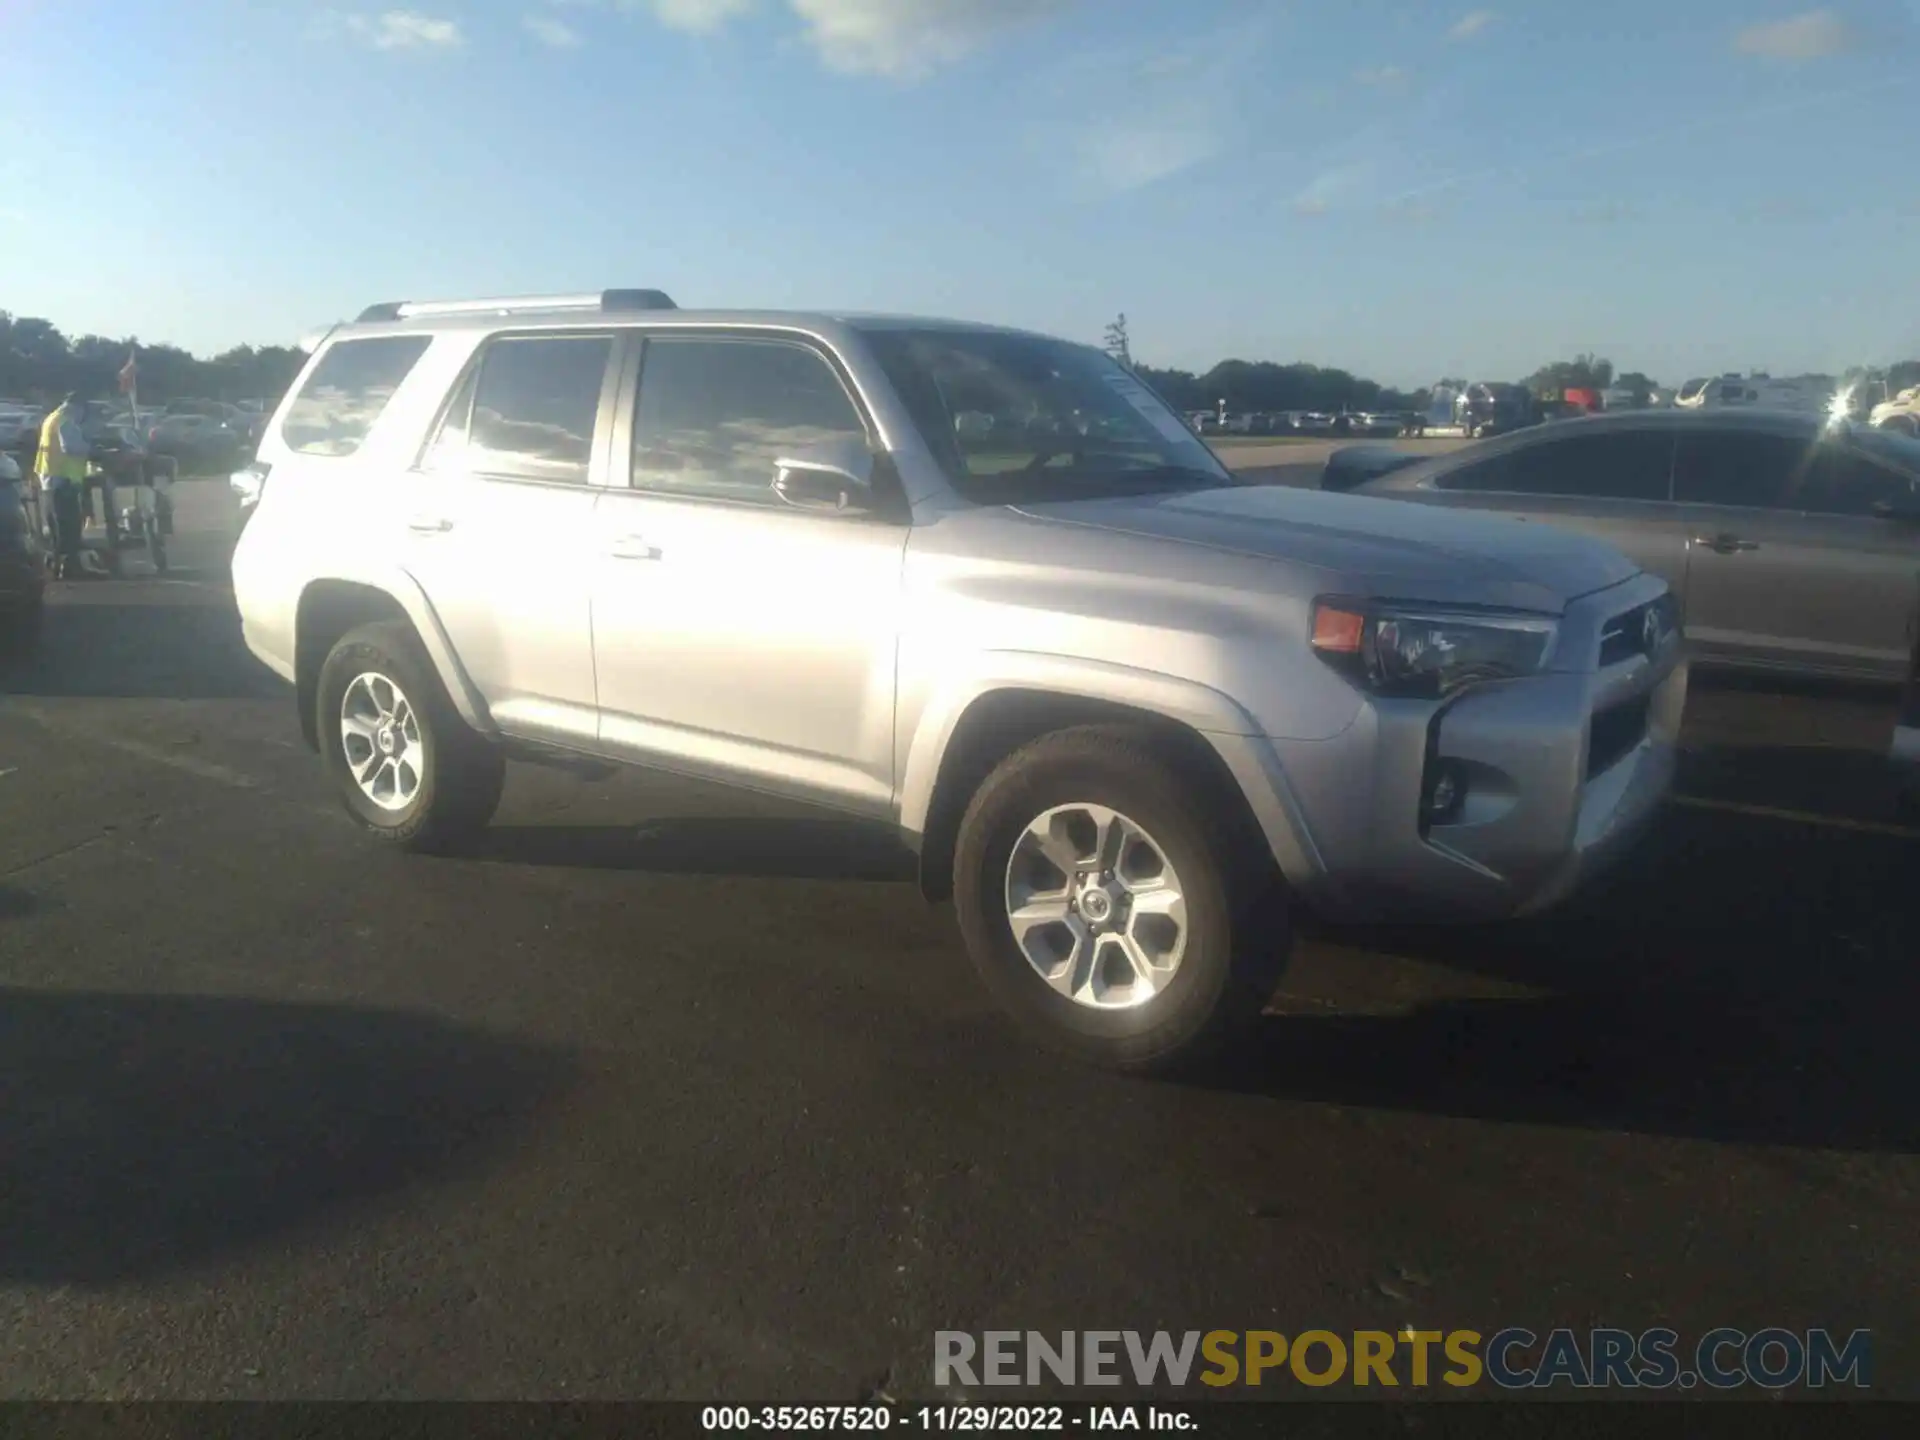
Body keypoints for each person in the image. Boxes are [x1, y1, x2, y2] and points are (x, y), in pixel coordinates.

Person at [34, 393, 97, 580]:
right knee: (69, 526)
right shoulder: (66, 421)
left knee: (56, 527)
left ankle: (56, 564)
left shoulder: (51, 418)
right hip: (63, 481)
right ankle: (69, 567)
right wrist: (91, 448)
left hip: (49, 480)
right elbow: (71, 447)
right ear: (77, 407)